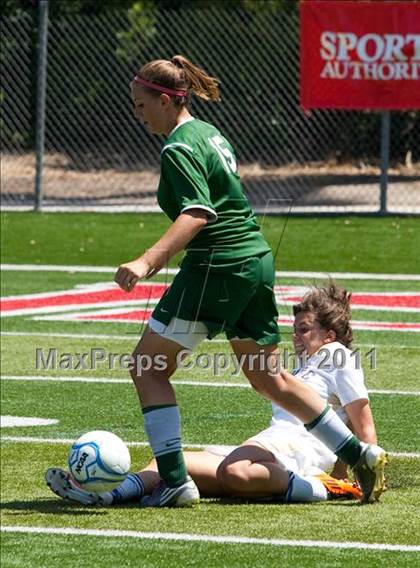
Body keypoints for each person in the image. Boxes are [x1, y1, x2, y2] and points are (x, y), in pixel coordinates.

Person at [112, 55, 387, 506]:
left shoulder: (179, 147)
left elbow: (199, 213)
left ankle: (177, 482)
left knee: (148, 367)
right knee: (270, 379)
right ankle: (358, 452)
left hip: (217, 266)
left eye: (141, 105)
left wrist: (146, 261)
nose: (137, 114)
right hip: (254, 258)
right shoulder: (210, 133)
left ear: (164, 101)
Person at [45, 284, 377, 507]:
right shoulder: (304, 368)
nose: (296, 336)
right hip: (275, 450)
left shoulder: (337, 354)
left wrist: (364, 472)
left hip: (298, 455)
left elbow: (362, 419)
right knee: (170, 463)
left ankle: (323, 489)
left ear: (330, 334)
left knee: (236, 472)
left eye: (304, 329)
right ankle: (105, 497)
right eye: (296, 328)